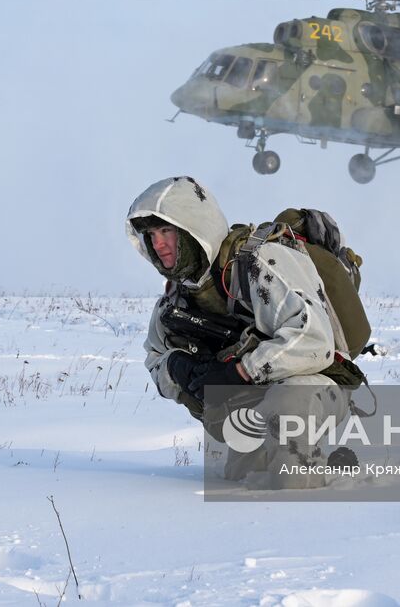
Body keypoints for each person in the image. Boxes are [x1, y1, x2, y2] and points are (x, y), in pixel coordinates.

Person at [129, 176, 352, 483]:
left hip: (315, 384)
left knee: (289, 465)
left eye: (166, 230)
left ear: (194, 226)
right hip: (251, 401)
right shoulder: (176, 299)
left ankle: (309, 500)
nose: (158, 244)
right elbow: (154, 356)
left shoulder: (260, 263)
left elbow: (314, 339)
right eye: (150, 235)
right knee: (243, 477)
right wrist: (177, 367)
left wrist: (239, 372)